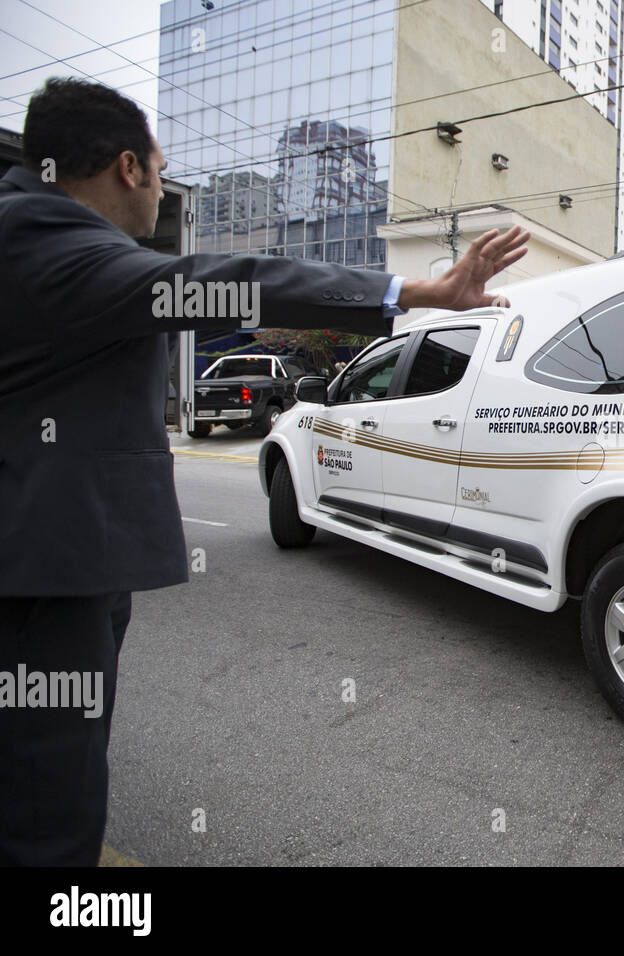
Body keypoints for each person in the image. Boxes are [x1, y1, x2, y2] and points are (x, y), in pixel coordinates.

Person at [0, 78, 529, 865]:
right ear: (128, 169)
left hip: (46, 556)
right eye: (160, 164)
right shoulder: (51, 244)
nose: (155, 192)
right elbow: (227, 281)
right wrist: (414, 290)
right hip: (45, 573)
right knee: (52, 800)